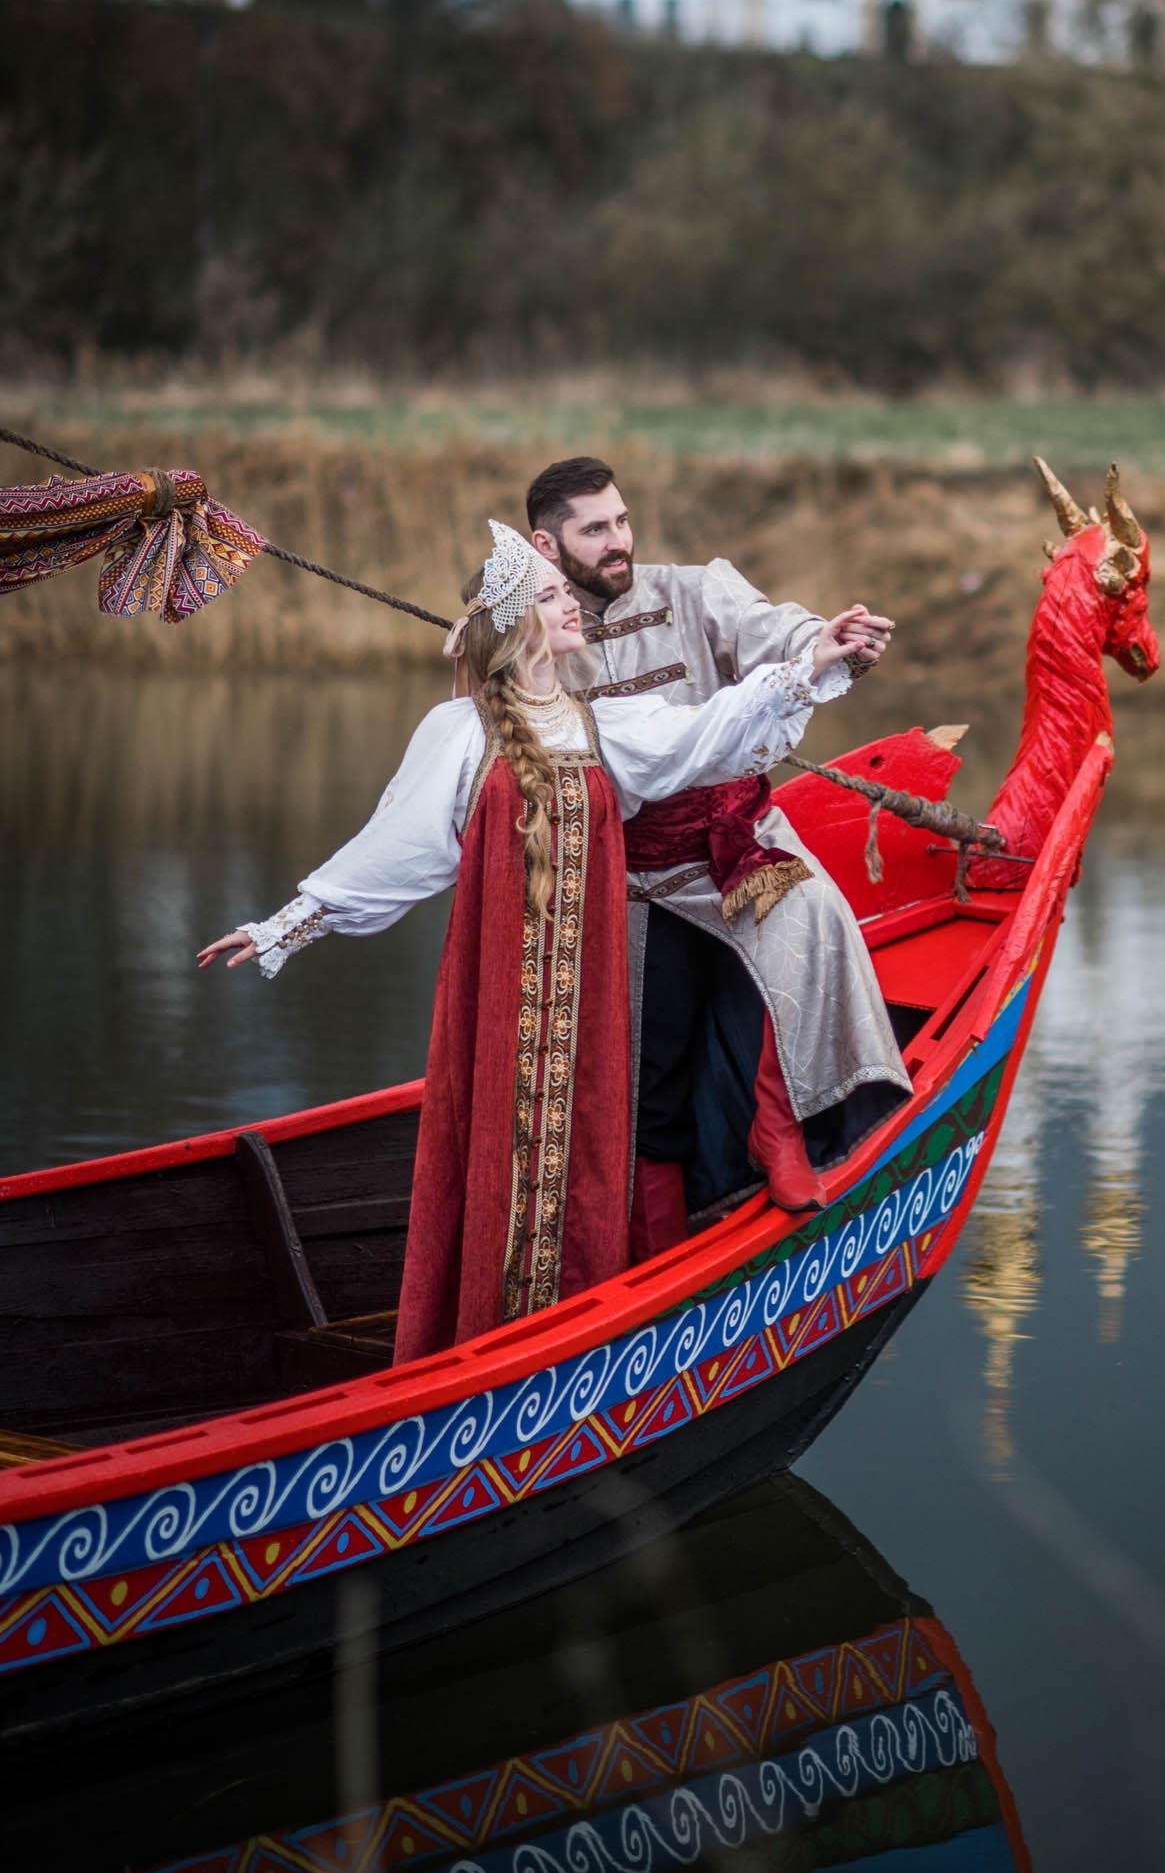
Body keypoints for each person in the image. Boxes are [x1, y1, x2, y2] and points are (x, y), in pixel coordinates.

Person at [199, 521, 879, 1363]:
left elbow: (707, 729)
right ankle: (491, 1340)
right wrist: (288, 926)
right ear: (522, 620)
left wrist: (810, 661)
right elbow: (396, 852)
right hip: (502, 994)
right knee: (504, 1150)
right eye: (555, 596)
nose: (575, 606)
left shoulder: (606, 728)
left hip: (588, 994)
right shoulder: (460, 734)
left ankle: (578, 1328)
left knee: (591, 1142)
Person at [525, 457, 911, 1254]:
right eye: (595, 530)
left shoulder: (697, 590)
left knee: (812, 922)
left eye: (622, 521)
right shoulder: (537, 629)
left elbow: (781, 635)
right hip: (629, 879)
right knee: (646, 1062)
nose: (618, 541)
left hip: (740, 843)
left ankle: (782, 1134)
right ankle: (654, 1235)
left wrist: (832, 643)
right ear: (547, 544)